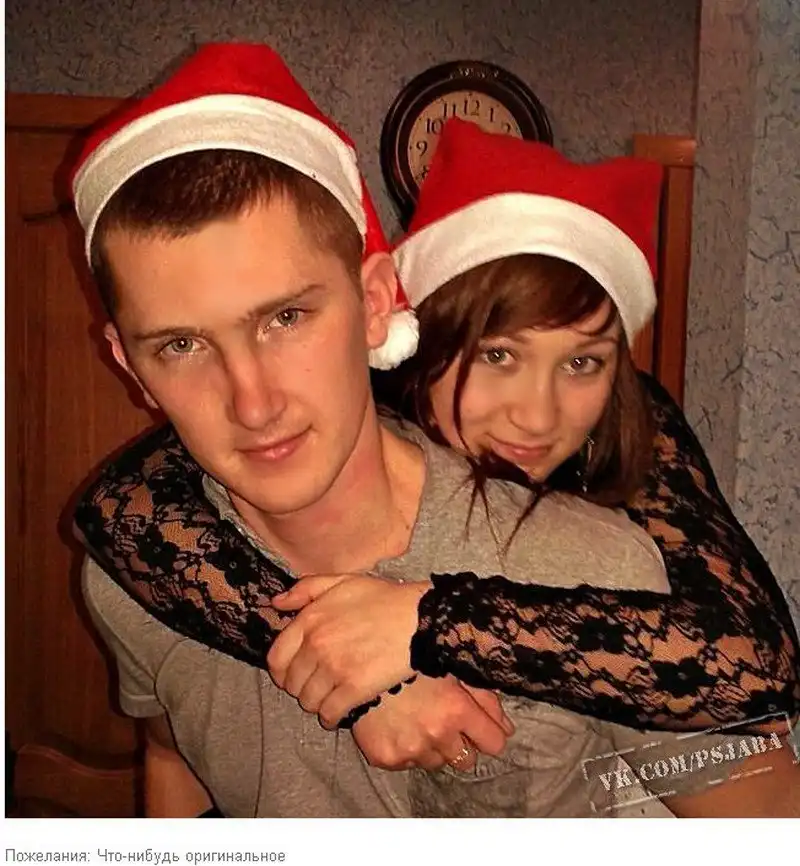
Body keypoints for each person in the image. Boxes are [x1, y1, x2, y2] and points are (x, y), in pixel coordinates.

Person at [75, 42, 692, 818]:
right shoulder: (127, 577)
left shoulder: (598, 565)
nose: (253, 404)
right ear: (128, 365)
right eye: (181, 345)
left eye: (286, 317)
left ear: (375, 304)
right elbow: (173, 755)